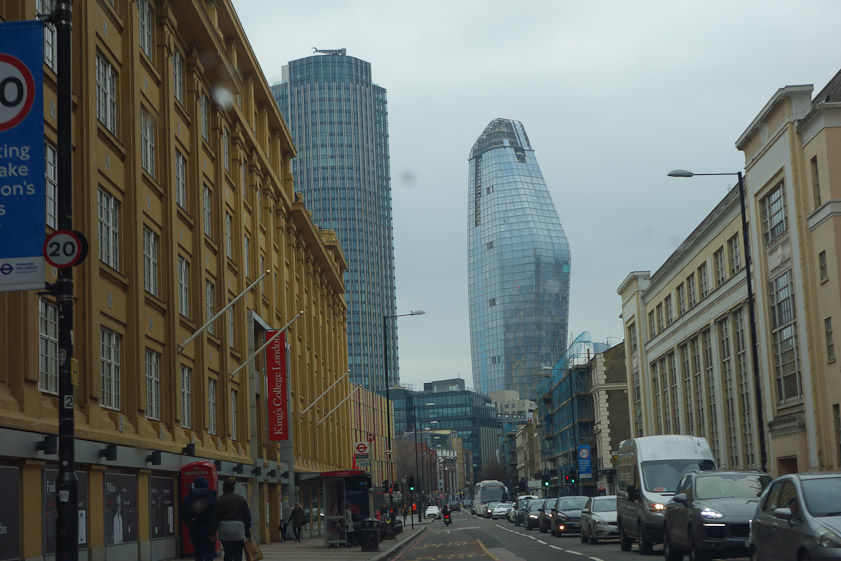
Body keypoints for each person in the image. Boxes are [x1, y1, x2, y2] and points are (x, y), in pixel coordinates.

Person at [181, 477, 218, 561]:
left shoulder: (188, 498)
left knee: (198, 553)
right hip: (208, 531)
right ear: (206, 485)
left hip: (195, 530)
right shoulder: (212, 497)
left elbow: (183, 515)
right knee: (209, 552)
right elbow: (215, 516)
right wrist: (213, 531)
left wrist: (190, 525)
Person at [216, 479, 252, 561]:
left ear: (223, 488)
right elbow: (247, 516)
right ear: (233, 488)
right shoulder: (241, 499)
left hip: (224, 528)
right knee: (237, 552)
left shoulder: (219, 500)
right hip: (238, 529)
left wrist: (212, 531)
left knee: (228, 552)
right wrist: (247, 530)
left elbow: (215, 517)